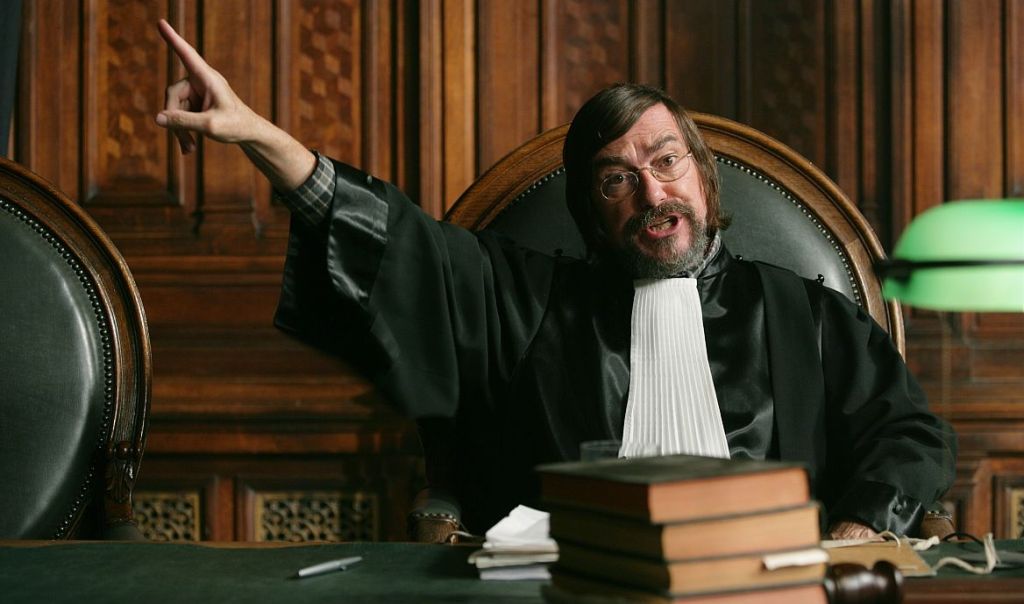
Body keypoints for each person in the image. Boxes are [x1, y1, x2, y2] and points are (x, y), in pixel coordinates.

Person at [155, 20, 957, 540]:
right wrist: (255, 135)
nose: (651, 193)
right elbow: (398, 244)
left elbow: (912, 435)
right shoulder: (533, 300)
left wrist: (858, 527)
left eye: (666, 162)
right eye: (616, 180)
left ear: (704, 180)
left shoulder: (803, 314)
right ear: (590, 212)